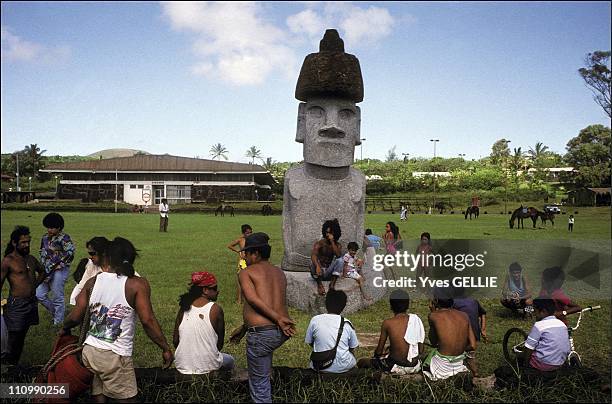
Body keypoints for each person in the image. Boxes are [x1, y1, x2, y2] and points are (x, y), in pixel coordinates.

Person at [60, 237, 173, 402]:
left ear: (109, 257)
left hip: (89, 352)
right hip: (115, 356)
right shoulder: (137, 284)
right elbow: (148, 321)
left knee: (99, 395)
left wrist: (64, 327)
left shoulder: (93, 281)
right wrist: (165, 348)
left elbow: (75, 316)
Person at [235, 232, 295, 403]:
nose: (243, 257)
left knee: (259, 383)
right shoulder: (279, 272)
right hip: (279, 332)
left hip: (265, 332)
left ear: (256, 253)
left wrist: (278, 319)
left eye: (245, 253)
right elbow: (267, 300)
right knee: (263, 370)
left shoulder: (246, 272)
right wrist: (245, 328)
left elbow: (253, 300)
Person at [1, 226, 46, 365]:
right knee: (14, 337)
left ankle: (14, 365)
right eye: (23, 242)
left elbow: (43, 272)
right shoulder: (8, 261)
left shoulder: (31, 259)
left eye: (28, 242)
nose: (27, 245)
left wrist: (34, 286)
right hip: (17, 304)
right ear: (15, 243)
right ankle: (8, 366)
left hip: (31, 302)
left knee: (22, 336)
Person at [173, 271, 234, 374]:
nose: (217, 291)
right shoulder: (216, 309)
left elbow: (175, 341)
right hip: (209, 366)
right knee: (230, 360)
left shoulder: (184, 308)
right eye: (214, 288)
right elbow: (219, 344)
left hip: (181, 366)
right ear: (205, 290)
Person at [357, 289, 425, 375]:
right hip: (415, 366)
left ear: (391, 306)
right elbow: (421, 350)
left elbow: (379, 352)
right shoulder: (416, 320)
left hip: (394, 366)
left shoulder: (388, 323)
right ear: (408, 305)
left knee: (362, 362)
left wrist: (377, 357)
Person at [423, 289, 477, 380]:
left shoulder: (433, 316)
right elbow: (473, 345)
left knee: (424, 364)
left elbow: (433, 342)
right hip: (458, 363)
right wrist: (458, 349)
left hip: (441, 367)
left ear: (435, 301)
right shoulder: (464, 315)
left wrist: (433, 312)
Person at [305, 290, 358, 373]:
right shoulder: (347, 323)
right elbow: (352, 347)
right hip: (343, 367)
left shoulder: (315, 320)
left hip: (318, 365)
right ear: (343, 306)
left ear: (326, 304)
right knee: (352, 356)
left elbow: (310, 342)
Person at [37, 212, 75, 325]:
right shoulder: (44, 238)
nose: (49, 230)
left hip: (59, 270)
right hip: (46, 271)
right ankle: (58, 313)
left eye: (52, 227)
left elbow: (70, 252)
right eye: (48, 227)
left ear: (59, 227)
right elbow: (42, 253)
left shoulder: (64, 238)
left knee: (57, 296)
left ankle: (58, 322)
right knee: (39, 294)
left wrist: (60, 264)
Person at [521, 298, 570, 371]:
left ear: (543, 311)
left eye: (535, 311)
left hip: (543, 364)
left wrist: (525, 364)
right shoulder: (562, 324)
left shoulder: (539, 325)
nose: (534, 314)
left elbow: (529, 348)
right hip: (560, 362)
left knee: (521, 356)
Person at [452, 286, 487, 377]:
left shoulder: (453, 302)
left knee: (457, 352)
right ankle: (475, 373)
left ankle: (464, 372)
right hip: (475, 333)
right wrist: (483, 329)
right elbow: (483, 313)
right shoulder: (473, 301)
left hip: (464, 333)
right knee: (470, 354)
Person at [69, 237, 110, 306]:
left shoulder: (117, 268)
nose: (90, 257)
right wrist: (76, 299)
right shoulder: (91, 265)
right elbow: (82, 285)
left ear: (103, 253)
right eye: (89, 253)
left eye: (92, 253)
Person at [310, 219, 344, 296]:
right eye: (326, 232)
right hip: (319, 272)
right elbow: (313, 254)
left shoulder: (337, 245)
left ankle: (332, 284)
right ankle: (319, 285)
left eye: (330, 233)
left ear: (335, 233)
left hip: (329, 273)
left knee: (340, 260)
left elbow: (338, 255)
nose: (327, 235)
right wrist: (317, 266)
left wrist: (332, 241)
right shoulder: (320, 243)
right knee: (312, 264)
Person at [227, 224, 253, 304]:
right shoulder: (240, 240)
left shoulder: (252, 240)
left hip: (251, 262)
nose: (250, 234)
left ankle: (249, 298)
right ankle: (239, 299)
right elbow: (230, 245)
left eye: (251, 232)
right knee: (240, 280)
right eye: (248, 233)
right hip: (243, 262)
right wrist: (238, 251)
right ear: (243, 233)